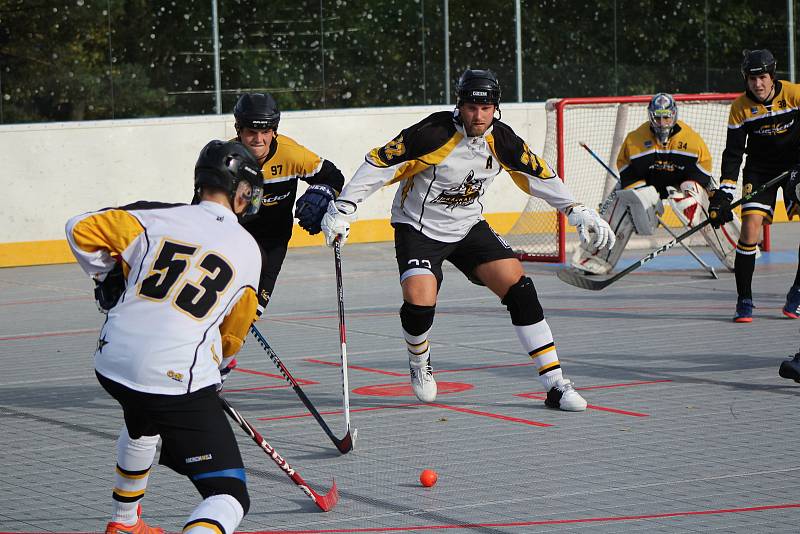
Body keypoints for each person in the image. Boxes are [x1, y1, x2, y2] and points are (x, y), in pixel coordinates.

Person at [319, 69, 614, 411]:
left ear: (495, 108)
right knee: (420, 300)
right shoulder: (432, 133)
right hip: (418, 228)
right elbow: (379, 163)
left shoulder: (502, 140)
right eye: (471, 107)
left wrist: (575, 209)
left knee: (520, 289)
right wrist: (344, 207)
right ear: (459, 105)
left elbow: (538, 173)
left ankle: (555, 385)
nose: (478, 115)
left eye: (486, 108)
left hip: (468, 227)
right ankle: (419, 360)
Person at [66, 140, 264, 534]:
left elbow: (78, 227)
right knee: (227, 495)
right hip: (172, 378)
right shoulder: (248, 248)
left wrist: (106, 276)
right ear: (241, 191)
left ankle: (124, 523)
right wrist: (218, 366)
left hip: (112, 363)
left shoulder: (157, 217)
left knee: (142, 421)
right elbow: (232, 336)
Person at [571, 93, 741, 275]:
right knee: (618, 203)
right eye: (658, 117)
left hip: (682, 183)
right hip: (647, 183)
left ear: (674, 115)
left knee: (713, 205)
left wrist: (692, 196)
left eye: (666, 117)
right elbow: (627, 172)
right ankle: (596, 258)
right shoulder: (634, 140)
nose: (662, 122)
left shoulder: (692, 140)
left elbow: (703, 175)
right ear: (650, 116)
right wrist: (642, 197)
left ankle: (738, 255)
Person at [232, 93, 345, 315]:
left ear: (274, 131)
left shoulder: (292, 155)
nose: (258, 139)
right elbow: (201, 208)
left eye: (265, 132)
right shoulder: (225, 159)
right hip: (233, 239)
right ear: (239, 130)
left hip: (273, 241)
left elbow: (334, 177)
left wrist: (325, 194)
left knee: (252, 314)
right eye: (251, 132)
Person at [710, 49, 800, 322]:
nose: (757, 84)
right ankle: (744, 298)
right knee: (749, 228)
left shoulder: (795, 94)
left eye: (762, 77)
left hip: (796, 167)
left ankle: (797, 292)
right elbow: (733, 153)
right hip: (760, 171)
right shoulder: (739, 108)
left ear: (772, 76)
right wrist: (724, 195)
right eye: (751, 79)